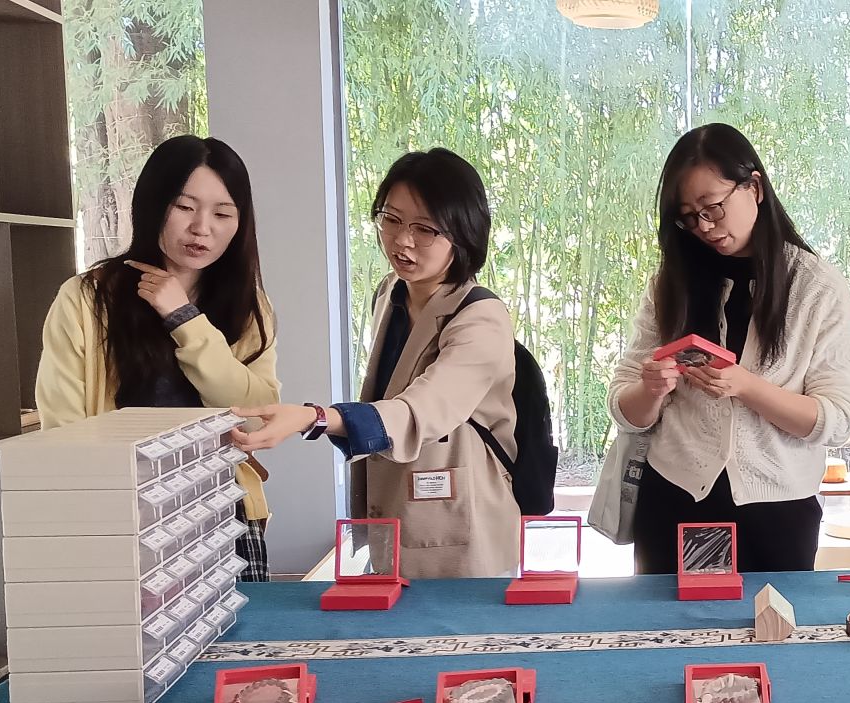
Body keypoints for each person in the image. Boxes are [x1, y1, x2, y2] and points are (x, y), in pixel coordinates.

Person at [233, 148, 520, 579]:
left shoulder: (482, 318)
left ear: (464, 234)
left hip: (464, 529)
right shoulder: (391, 292)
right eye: (392, 219)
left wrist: (314, 418)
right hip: (398, 508)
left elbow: (420, 410)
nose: (402, 240)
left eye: (425, 229)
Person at [608, 123, 850, 574]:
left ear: (755, 188)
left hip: (776, 513)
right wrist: (650, 390)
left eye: (712, 207)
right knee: (670, 620)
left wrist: (746, 386)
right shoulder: (670, 284)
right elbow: (624, 409)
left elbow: (837, 419)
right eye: (689, 217)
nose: (704, 227)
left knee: (768, 620)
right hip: (675, 500)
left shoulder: (817, 287)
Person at [35, 135, 280, 580]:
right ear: (152, 205)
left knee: (242, 626)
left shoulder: (248, 306)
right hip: (124, 514)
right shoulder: (87, 298)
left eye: (222, 213)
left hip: (222, 507)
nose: (202, 228)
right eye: (184, 207)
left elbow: (257, 417)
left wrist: (184, 319)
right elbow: (65, 430)